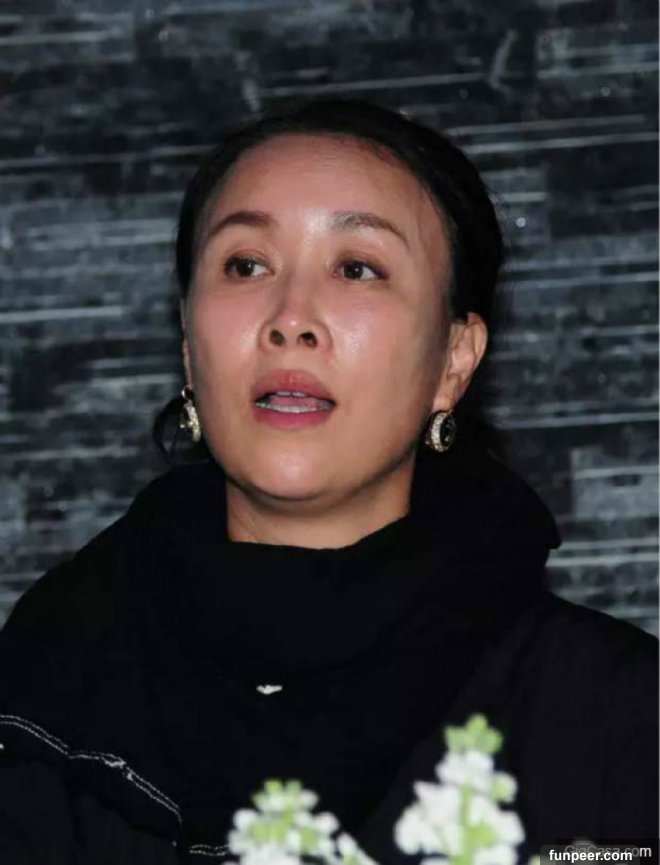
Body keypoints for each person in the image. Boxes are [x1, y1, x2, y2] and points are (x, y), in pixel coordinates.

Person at [0, 99, 656, 865]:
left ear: (454, 359)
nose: (291, 318)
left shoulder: (613, 712)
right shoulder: (44, 689)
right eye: (246, 265)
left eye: (356, 268)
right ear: (187, 342)